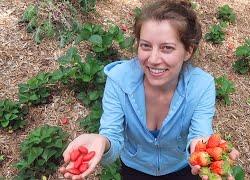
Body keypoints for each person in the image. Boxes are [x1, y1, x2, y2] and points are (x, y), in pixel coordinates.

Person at [59, 0, 240, 179]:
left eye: (167, 48)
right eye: (145, 45)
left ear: (188, 51)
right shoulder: (118, 80)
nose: (153, 59)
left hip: (181, 168)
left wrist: (205, 151)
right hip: (134, 168)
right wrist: (102, 141)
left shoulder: (201, 86)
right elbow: (112, 134)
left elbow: (200, 134)